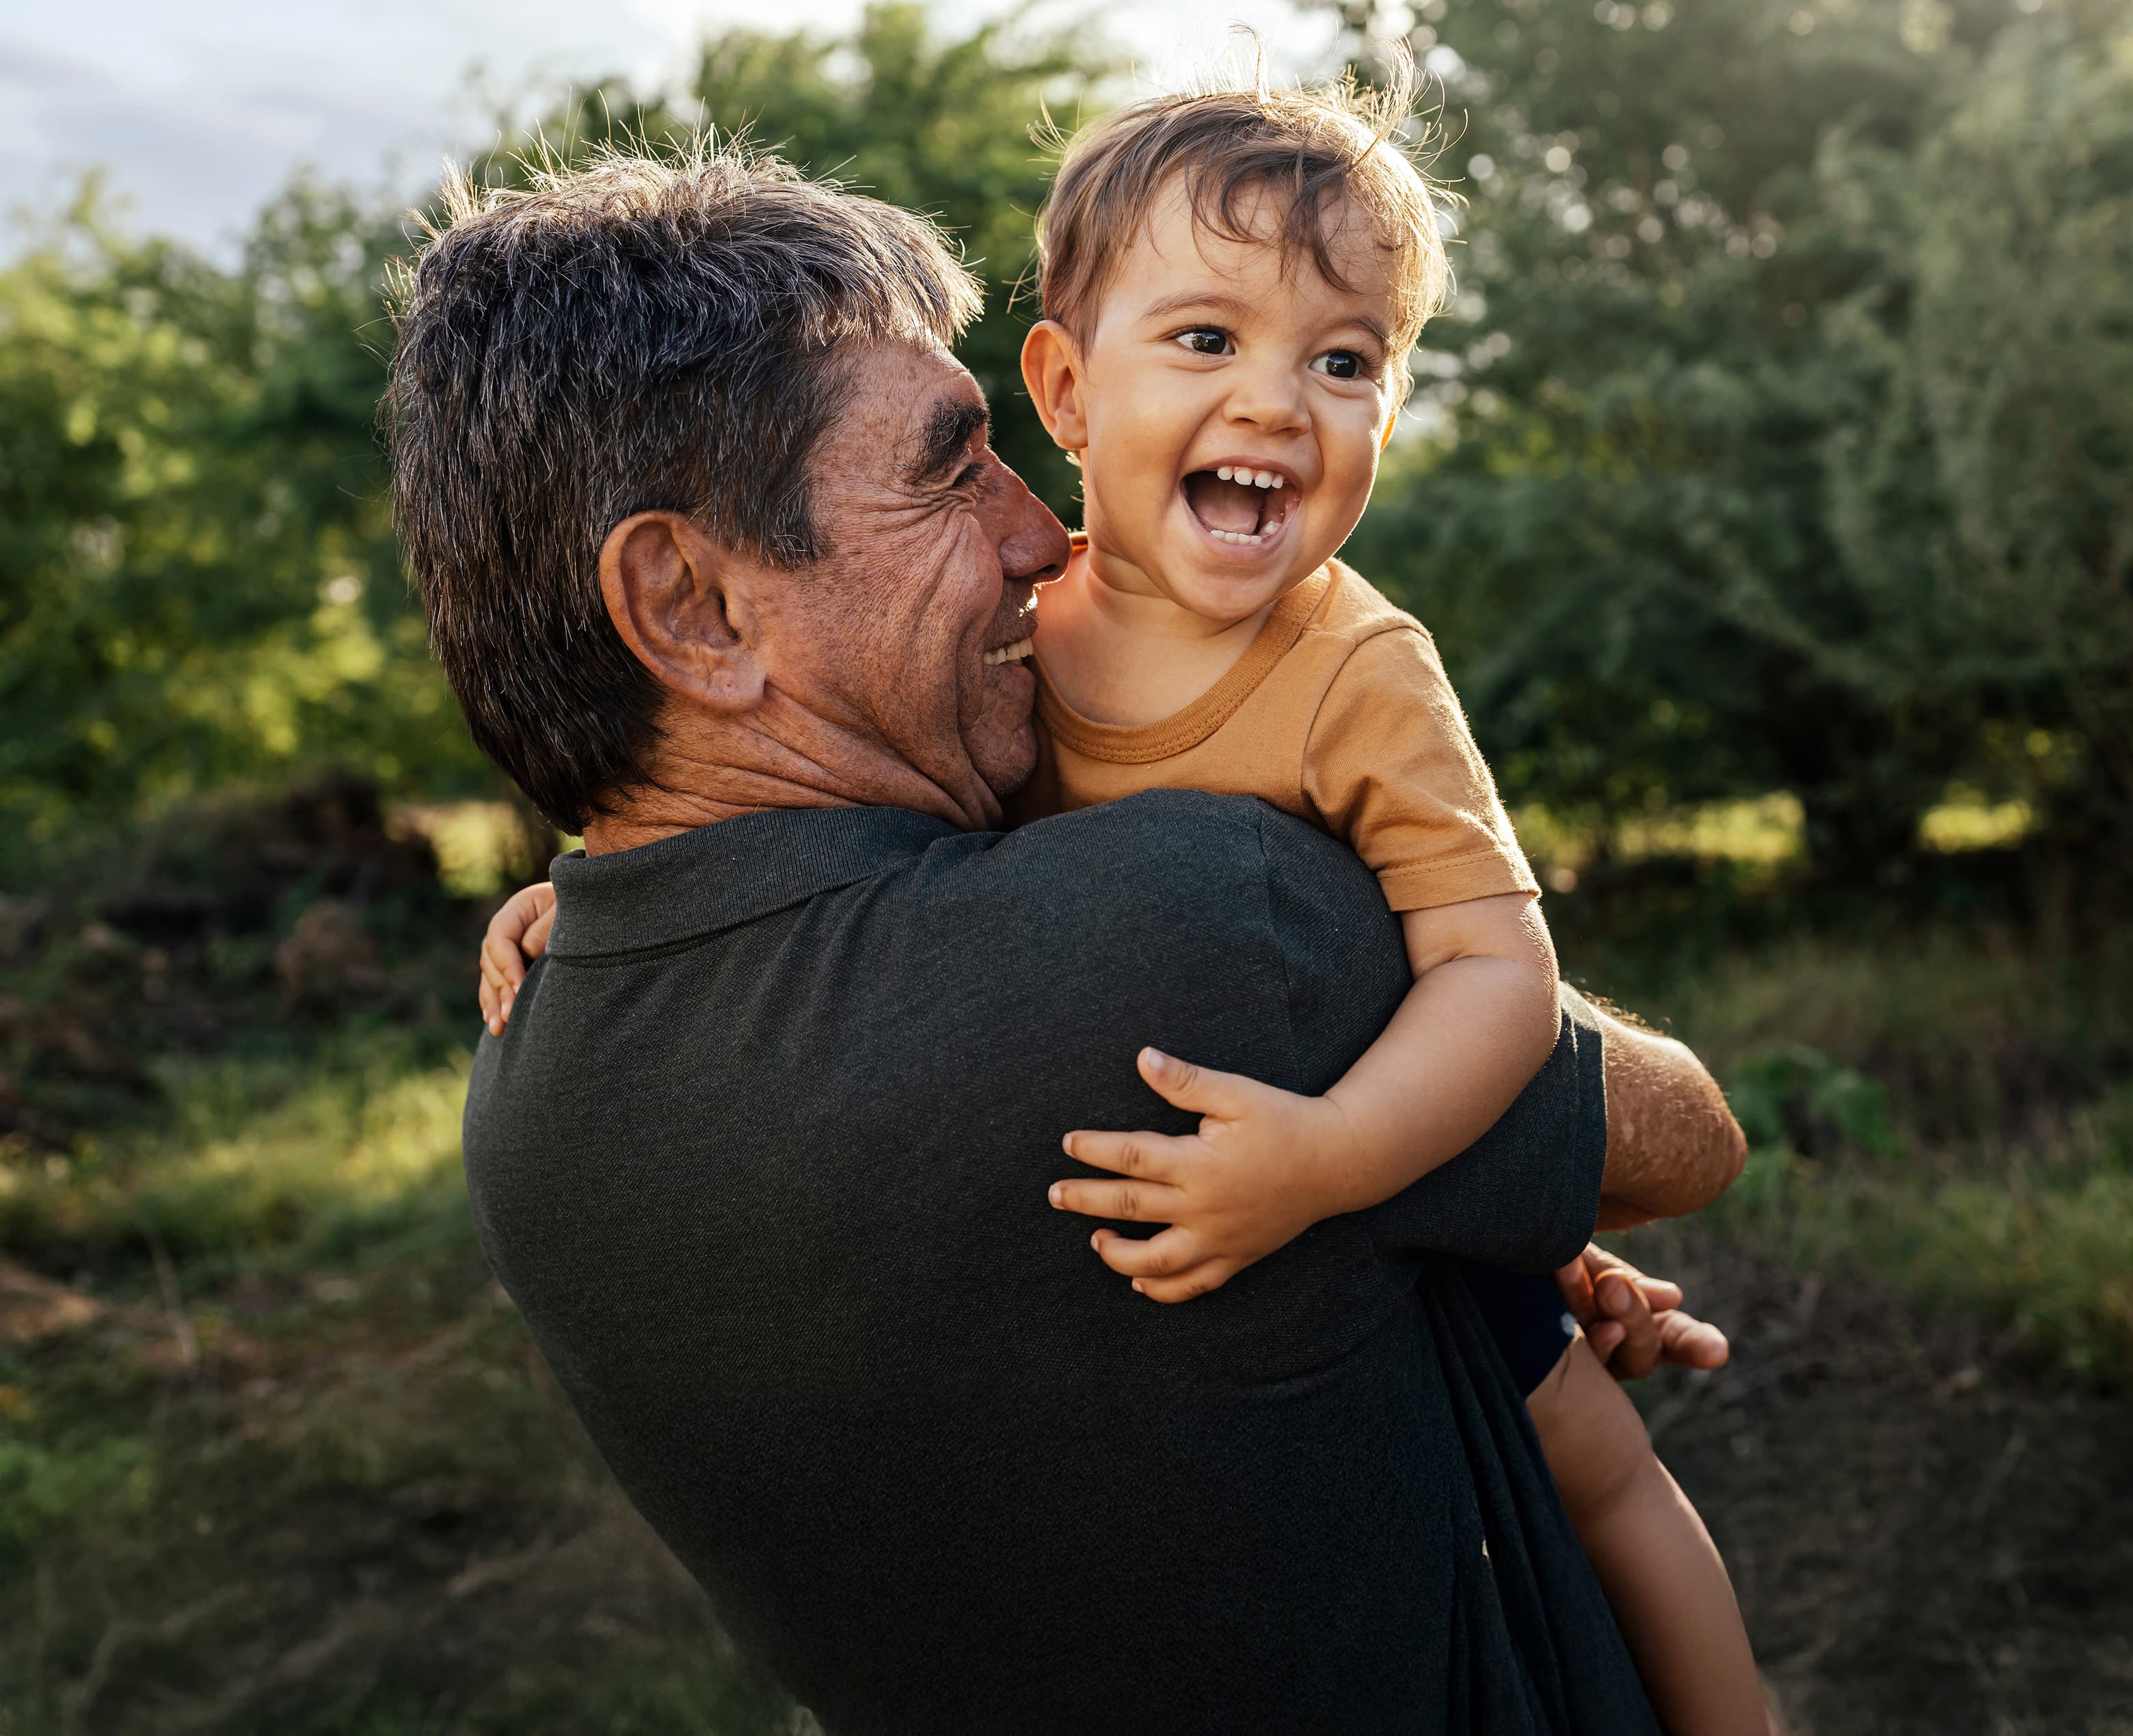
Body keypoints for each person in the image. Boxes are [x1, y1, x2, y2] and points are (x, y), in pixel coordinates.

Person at [398, 141, 1747, 1733]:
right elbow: (1689, 1144)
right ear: (694, 609)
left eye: (1338, 360)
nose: (1041, 540)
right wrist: (1469, 1172)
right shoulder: (1197, 921)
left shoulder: (530, 1095)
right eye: (949, 467)